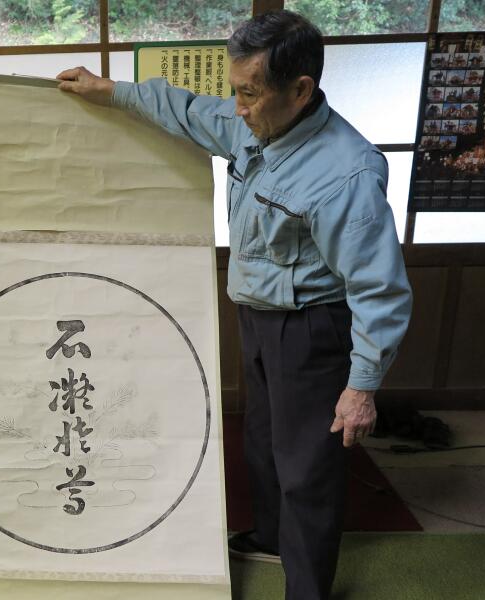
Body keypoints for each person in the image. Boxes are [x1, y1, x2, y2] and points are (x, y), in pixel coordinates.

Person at [56, 9, 412, 600]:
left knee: (308, 468)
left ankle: (307, 588)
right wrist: (108, 91)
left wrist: (362, 387)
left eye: (250, 94)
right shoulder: (255, 124)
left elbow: (381, 289)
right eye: (236, 92)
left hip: (313, 329)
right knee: (263, 441)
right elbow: (188, 110)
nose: (239, 108)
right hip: (257, 316)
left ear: (300, 91)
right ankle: (272, 536)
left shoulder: (347, 174)